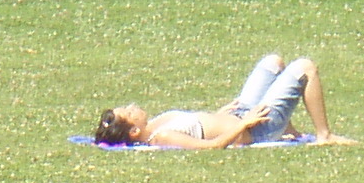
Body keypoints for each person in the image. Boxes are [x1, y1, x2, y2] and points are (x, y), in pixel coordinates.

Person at [93, 53, 349, 148]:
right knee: (305, 67)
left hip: (241, 114)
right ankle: (323, 134)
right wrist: (243, 124)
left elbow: (201, 127)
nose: (132, 106)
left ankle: (289, 128)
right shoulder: (161, 137)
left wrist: (219, 114)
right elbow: (211, 147)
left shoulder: (156, 124)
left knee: (273, 62)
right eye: (128, 111)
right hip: (257, 127)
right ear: (134, 129)